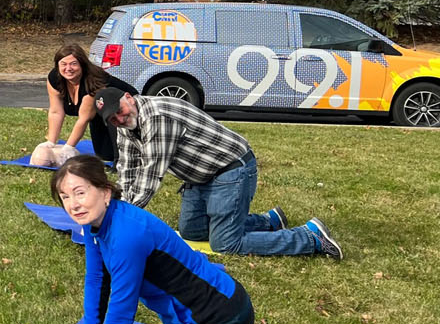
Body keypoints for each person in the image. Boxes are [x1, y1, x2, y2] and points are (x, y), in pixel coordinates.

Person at [52, 154, 313, 324]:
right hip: (195, 318)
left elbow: (121, 305)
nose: (73, 204)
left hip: (220, 317)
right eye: (65, 197)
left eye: (80, 192)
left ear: (104, 191)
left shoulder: (127, 233)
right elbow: (96, 281)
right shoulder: (94, 226)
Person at [94, 86, 341, 259]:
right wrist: (118, 204)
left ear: (129, 97)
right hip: (199, 177)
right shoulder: (127, 127)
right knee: (192, 232)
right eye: (112, 118)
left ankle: (310, 237)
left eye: (120, 110)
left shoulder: (157, 116)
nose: (119, 118)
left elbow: (150, 174)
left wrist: (122, 219)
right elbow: (128, 168)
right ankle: (269, 221)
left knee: (225, 243)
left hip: (231, 169)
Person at [41, 45, 137, 162]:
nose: (68, 68)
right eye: (63, 64)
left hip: (124, 109)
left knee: (121, 154)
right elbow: (56, 111)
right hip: (98, 115)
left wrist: (68, 147)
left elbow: (84, 118)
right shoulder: (54, 78)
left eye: (73, 64)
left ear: (82, 64)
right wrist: (50, 143)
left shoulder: (94, 81)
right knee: (105, 155)